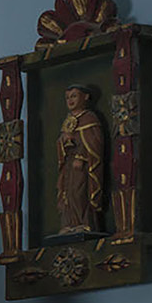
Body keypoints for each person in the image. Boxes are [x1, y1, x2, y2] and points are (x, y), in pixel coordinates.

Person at [54, 83, 105, 236]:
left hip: (82, 165)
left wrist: (81, 156)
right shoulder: (68, 120)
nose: (70, 100)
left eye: (74, 96)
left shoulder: (89, 118)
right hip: (68, 164)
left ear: (85, 97)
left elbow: (94, 141)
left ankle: (83, 222)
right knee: (66, 192)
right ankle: (69, 223)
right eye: (67, 97)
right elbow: (60, 143)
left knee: (79, 191)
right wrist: (63, 141)